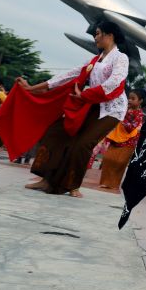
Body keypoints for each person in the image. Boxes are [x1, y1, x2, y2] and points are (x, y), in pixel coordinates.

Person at [12, 22, 129, 198]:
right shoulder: (94, 61)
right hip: (90, 104)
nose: (95, 37)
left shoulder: (121, 58)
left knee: (83, 144)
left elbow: (114, 83)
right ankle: (46, 178)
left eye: (97, 33)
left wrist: (85, 95)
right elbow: (68, 75)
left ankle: (72, 185)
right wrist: (32, 88)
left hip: (112, 109)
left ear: (109, 35)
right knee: (57, 132)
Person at [98, 89, 145, 189]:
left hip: (129, 142)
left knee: (119, 163)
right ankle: (105, 182)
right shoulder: (124, 108)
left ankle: (114, 184)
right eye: (129, 98)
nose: (130, 100)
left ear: (140, 101)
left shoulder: (139, 114)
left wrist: (122, 117)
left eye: (133, 98)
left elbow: (131, 128)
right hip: (116, 138)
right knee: (107, 159)